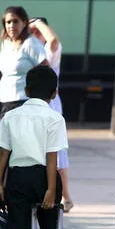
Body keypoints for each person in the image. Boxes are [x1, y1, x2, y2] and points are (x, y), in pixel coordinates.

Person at [0, 65, 67, 229]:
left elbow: (3, 152)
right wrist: (52, 189)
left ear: (26, 90)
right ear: (54, 93)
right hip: (45, 176)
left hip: (17, 177)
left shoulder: (11, 116)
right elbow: (52, 155)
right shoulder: (55, 118)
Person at [29, 17, 75, 213]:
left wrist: (38, 23)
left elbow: (54, 41)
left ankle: (66, 196)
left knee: (57, 152)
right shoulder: (29, 51)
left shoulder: (49, 52)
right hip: (31, 104)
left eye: (38, 31)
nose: (34, 35)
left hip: (51, 104)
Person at [0, 6, 48, 120]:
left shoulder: (30, 43)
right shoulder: (5, 44)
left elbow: (45, 68)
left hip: (25, 102)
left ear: (24, 23)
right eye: (8, 22)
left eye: (15, 21)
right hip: (7, 101)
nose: (11, 25)